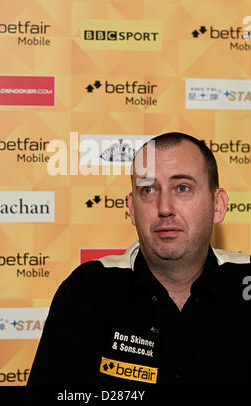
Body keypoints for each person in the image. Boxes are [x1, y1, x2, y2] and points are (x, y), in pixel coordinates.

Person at [27, 132, 251, 388]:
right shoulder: (87, 290)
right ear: (132, 209)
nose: (164, 207)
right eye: (148, 189)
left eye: (182, 188)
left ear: (218, 205)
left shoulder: (245, 282)